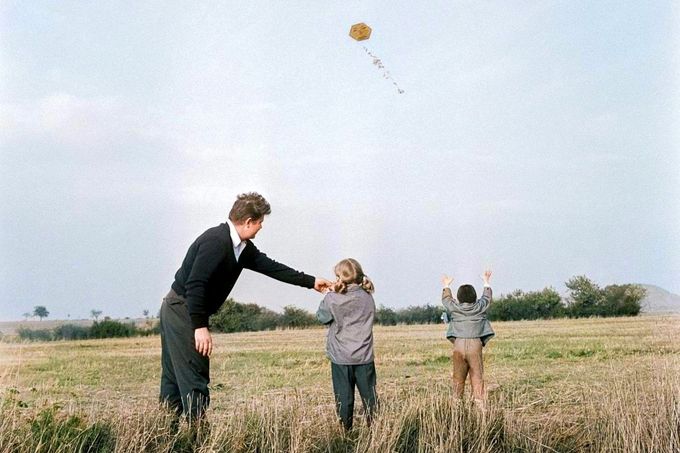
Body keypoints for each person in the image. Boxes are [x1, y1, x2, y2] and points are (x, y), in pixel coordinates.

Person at [160, 192, 332, 421]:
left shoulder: (241, 247)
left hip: (179, 308)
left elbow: (272, 267)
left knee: (174, 379)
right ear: (249, 221)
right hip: (182, 309)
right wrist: (200, 326)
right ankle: (196, 440)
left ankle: (166, 437)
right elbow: (195, 284)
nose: (261, 227)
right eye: (260, 222)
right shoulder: (216, 241)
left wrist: (311, 282)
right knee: (193, 376)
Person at [316, 258, 377, 431]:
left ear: (339, 277)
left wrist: (329, 295)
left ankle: (345, 432)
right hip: (364, 356)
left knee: (344, 397)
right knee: (370, 397)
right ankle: (376, 430)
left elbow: (322, 317)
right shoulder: (368, 297)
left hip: (341, 356)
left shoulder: (332, 298)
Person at [441, 270, 494, 405]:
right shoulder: (479, 307)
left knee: (458, 378)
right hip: (475, 344)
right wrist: (486, 282)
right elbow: (487, 298)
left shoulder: (455, 308)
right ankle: (480, 406)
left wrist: (446, 286)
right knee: (477, 377)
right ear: (474, 297)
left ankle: (456, 406)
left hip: (458, 344)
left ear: (458, 298)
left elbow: (446, 300)